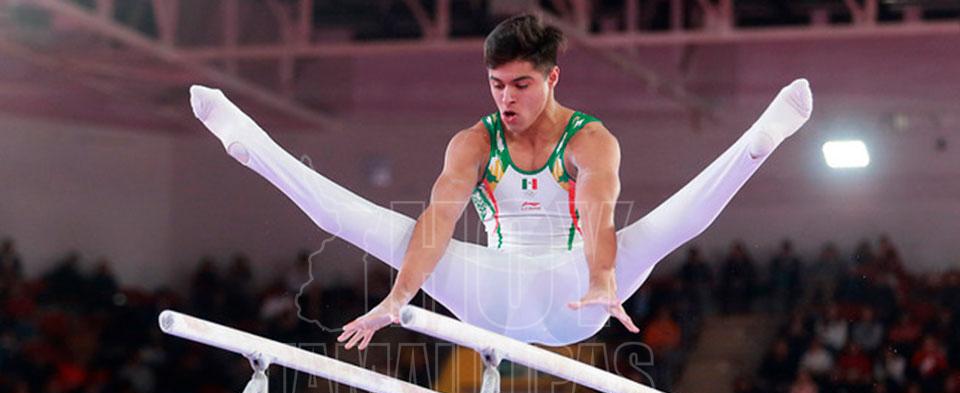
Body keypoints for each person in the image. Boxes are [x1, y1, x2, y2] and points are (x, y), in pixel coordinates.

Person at [188, 14, 812, 350]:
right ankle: (254, 148)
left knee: (652, 231)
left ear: (553, 78)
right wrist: (400, 298)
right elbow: (436, 223)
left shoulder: (591, 140)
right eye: (495, 84)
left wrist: (601, 281)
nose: (505, 99)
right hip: (491, 294)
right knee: (370, 223)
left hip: (578, 299)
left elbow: (597, 214)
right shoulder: (474, 141)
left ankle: (756, 144)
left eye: (521, 84)